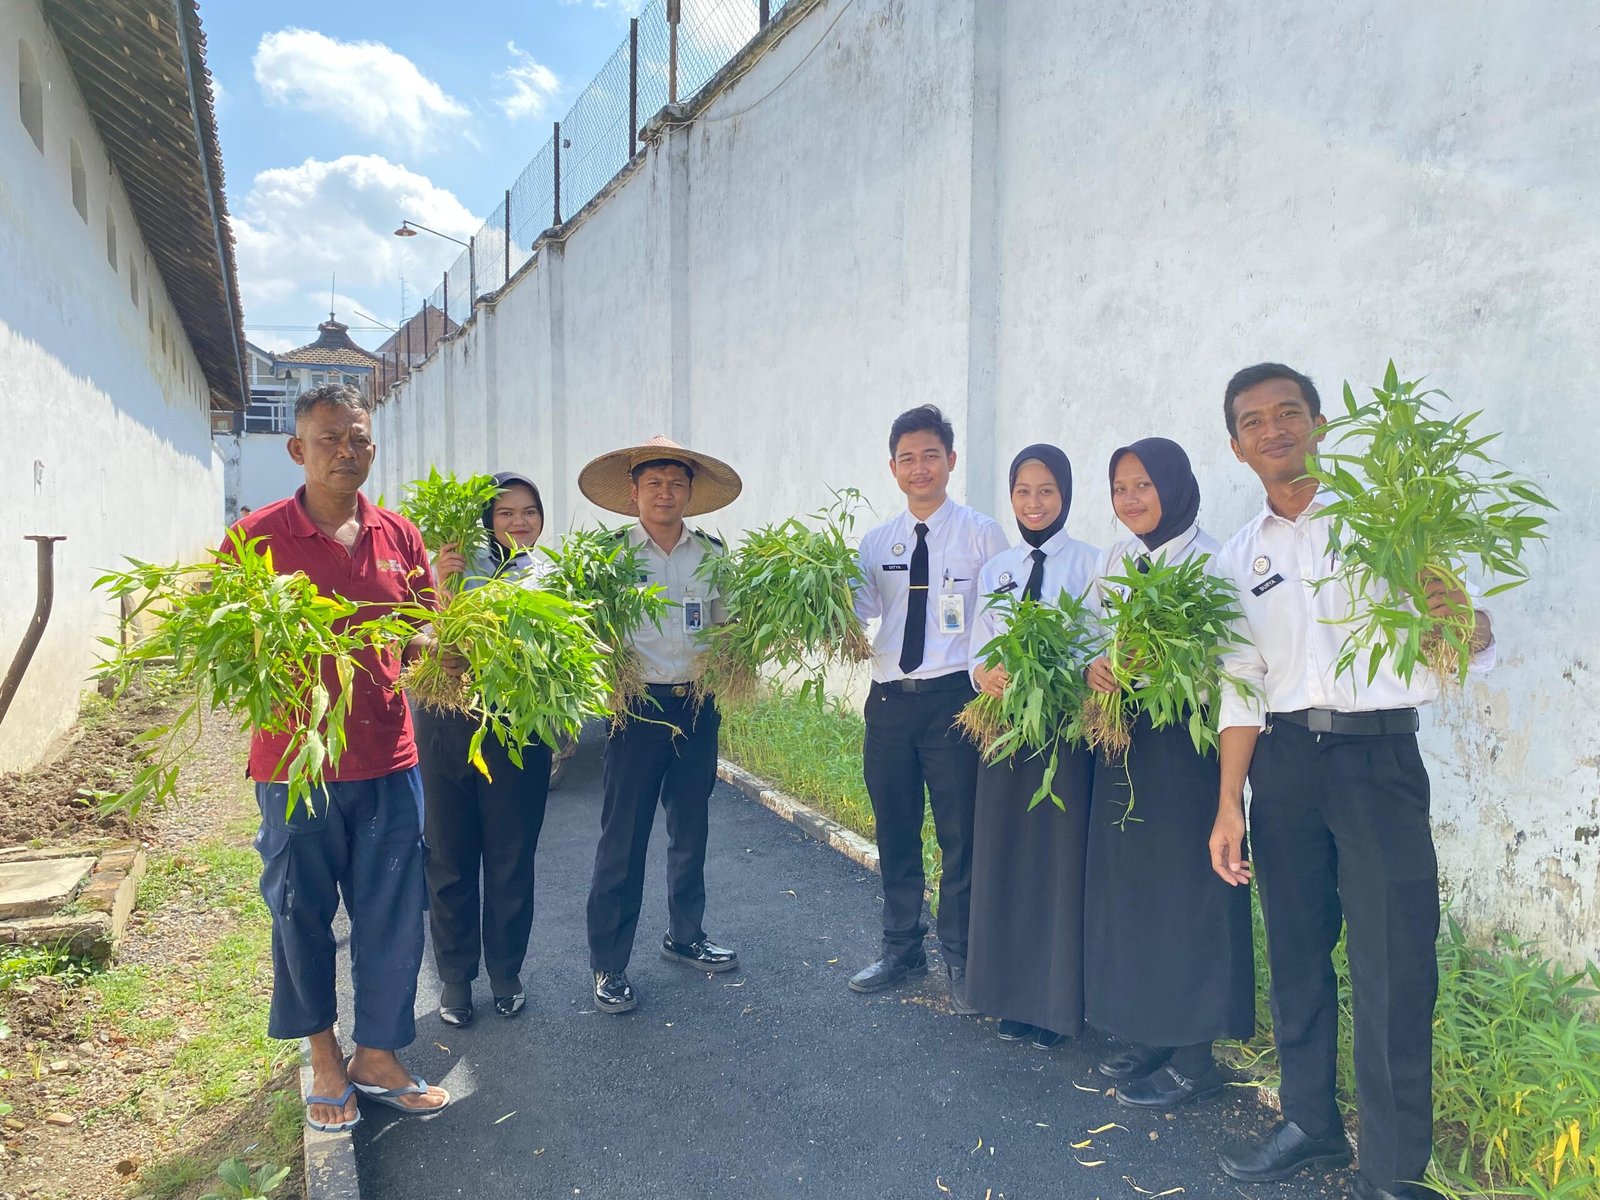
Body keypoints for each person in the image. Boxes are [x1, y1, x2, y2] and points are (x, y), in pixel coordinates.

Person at [1208, 364, 1495, 1200]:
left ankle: (1393, 1169)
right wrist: (1229, 803)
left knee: (1394, 961)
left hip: (1378, 762)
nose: (1273, 429)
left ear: (1321, 424)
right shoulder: (1239, 556)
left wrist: (1466, 624)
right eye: (1254, 421)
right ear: (1237, 447)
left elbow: (1468, 628)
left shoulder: (1390, 523)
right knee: (1296, 951)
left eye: (1288, 412)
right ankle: (1310, 1124)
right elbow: (1240, 684)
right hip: (1284, 765)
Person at [236, 383, 448, 1133]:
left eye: (358, 439)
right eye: (329, 439)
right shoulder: (256, 538)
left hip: (388, 757)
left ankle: (378, 1056)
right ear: (298, 449)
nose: (345, 452)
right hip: (296, 764)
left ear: (372, 448)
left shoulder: (399, 535)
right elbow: (231, 644)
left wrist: (431, 644)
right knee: (300, 912)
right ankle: (324, 1058)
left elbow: (425, 626)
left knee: (393, 913)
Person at [1081, 438, 1254, 1107]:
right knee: (1132, 889)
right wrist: (1095, 667)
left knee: (1187, 894)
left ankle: (1194, 1057)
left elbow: (1236, 669)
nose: (1130, 499)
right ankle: (1151, 1030)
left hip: (1188, 743)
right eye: (1119, 487)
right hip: (1125, 739)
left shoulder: (1214, 562)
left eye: (1143, 485)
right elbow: (1091, 638)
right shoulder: (1116, 560)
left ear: (1176, 486)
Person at [848, 405, 1009, 1011]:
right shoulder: (876, 542)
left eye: (931, 456)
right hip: (890, 702)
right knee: (895, 828)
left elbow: (1004, 617)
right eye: (908, 458)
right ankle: (901, 948)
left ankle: (963, 958)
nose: (920, 468)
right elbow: (858, 611)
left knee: (960, 833)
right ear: (893, 468)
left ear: (951, 461)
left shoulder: (982, 535)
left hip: (955, 702)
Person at [576, 435, 744, 1014]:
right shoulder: (609, 558)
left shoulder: (712, 554)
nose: (665, 493)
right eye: (654, 483)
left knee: (691, 826)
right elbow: (587, 630)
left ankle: (685, 935)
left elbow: (726, 626)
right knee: (623, 836)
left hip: (697, 704)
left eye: (676, 483)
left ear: (690, 492)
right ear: (634, 492)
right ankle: (609, 964)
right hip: (636, 707)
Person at [965, 444, 1098, 1048]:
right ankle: (1009, 995)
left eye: (1046, 491)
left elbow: (1102, 646)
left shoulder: (1093, 564)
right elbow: (978, 646)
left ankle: (1055, 1006)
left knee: (1058, 864)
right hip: (1005, 736)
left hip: (1065, 735)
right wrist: (983, 674)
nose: (1034, 503)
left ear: (1064, 495)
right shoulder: (998, 568)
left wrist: (1075, 675)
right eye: (1023, 491)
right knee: (1007, 859)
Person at [416, 473, 553, 1027]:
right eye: (505, 512)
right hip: (447, 723)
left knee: (511, 855)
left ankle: (506, 972)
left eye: (529, 511)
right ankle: (455, 979)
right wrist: (441, 590)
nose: (519, 522)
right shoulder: (451, 565)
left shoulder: (551, 575)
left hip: (518, 729)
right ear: (486, 520)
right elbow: (417, 636)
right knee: (448, 854)